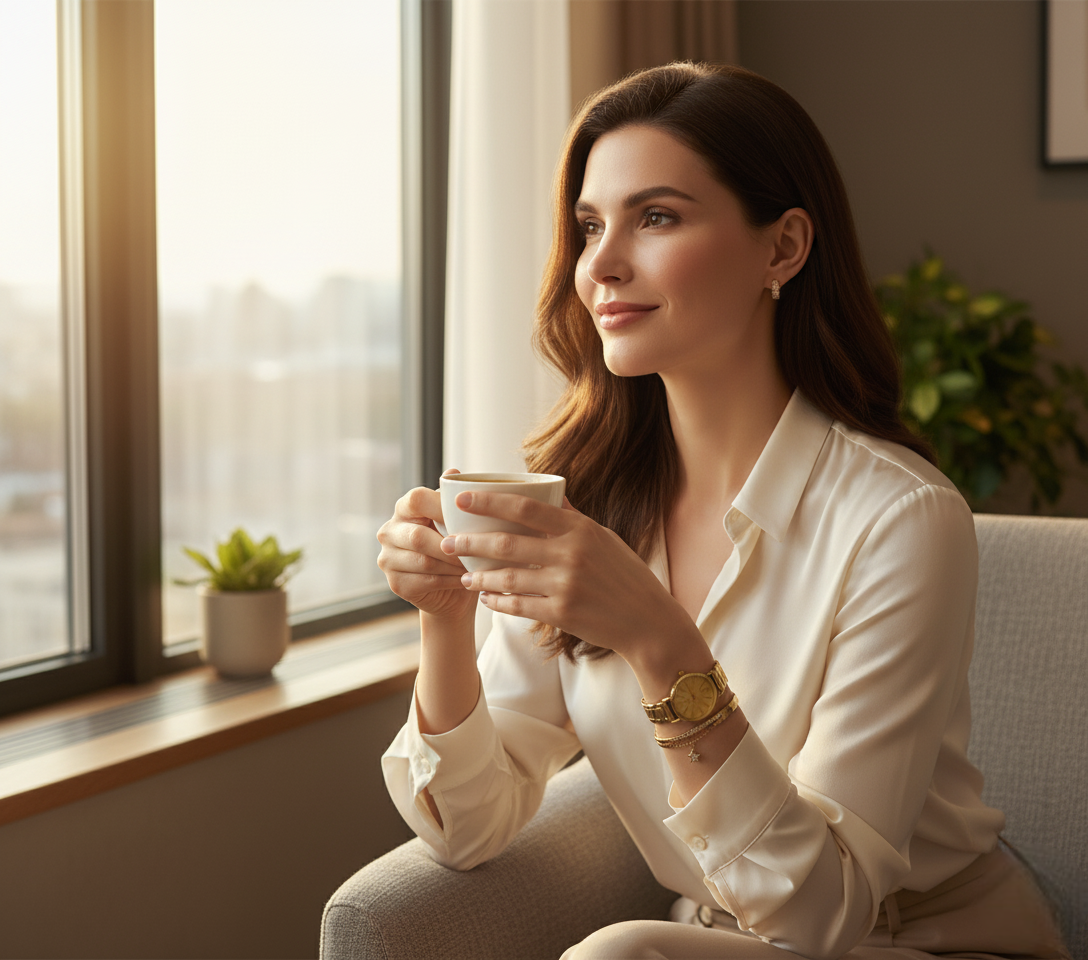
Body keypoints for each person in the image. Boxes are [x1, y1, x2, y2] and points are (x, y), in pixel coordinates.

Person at [376, 63, 1069, 959]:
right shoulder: (590, 505)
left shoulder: (900, 519)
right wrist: (445, 619)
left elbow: (824, 911)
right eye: (590, 226)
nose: (601, 265)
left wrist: (658, 638)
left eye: (655, 217)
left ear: (781, 249)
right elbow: (466, 826)